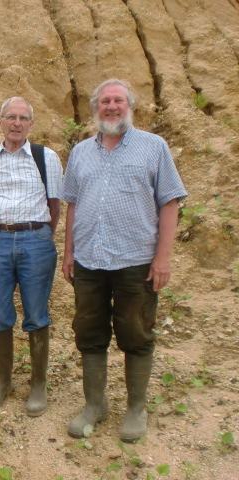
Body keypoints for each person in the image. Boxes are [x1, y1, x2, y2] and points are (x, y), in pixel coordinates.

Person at [61, 79, 187, 442]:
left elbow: (170, 202)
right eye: (104, 101)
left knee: (136, 332)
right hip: (89, 260)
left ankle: (135, 408)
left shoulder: (153, 147)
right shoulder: (81, 152)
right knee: (89, 332)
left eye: (118, 100)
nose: (111, 106)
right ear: (95, 108)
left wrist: (163, 258)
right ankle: (95, 405)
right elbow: (73, 205)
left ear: (130, 106)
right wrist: (69, 252)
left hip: (135, 261)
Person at [0, 96, 62, 416]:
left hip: (36, 239)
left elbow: (55, 205)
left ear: (31, 124)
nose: (16, 123)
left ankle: (38, 383)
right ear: (0, 121)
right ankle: (5, 380)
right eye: (11, 117)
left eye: (23, 118)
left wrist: (40, 235)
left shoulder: (46, 157)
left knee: (36, 315)